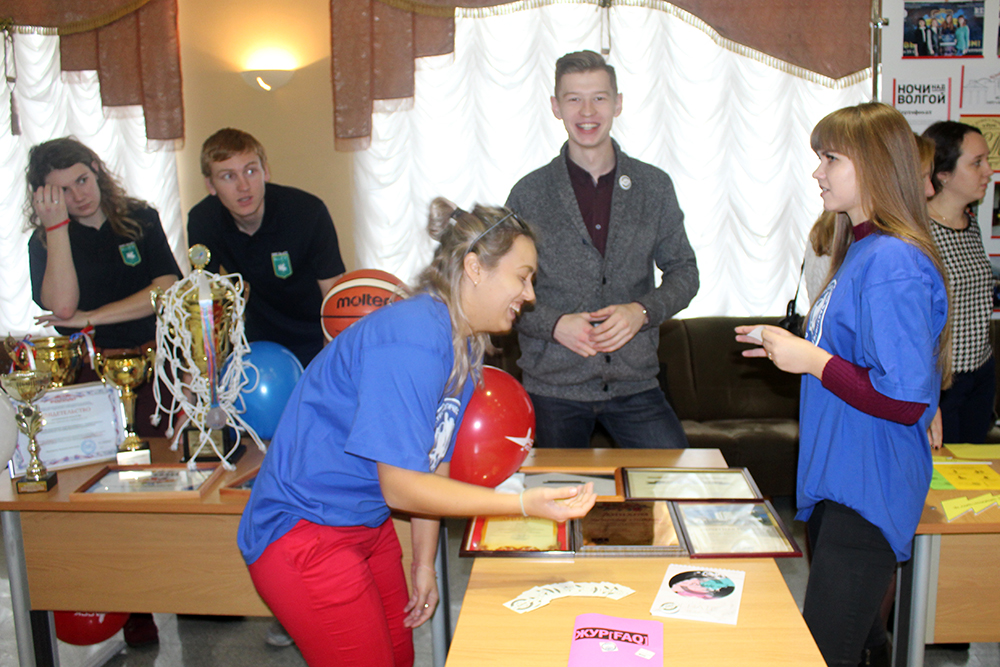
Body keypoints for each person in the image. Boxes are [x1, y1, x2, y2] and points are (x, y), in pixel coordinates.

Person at [238, 198, 597, 667]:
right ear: (474, 268)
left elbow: (433, 463)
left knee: (400, 656)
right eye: (523, 277)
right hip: (304, 533)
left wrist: (423, 563)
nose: (529, 295)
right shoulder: (412, 337)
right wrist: (524, 505)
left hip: (363, 524)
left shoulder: (463, 343)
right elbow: (402, 486)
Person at [736, 102, 951, 667]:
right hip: (843, 478)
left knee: (825, 650)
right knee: (860, 639)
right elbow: (861, 360)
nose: (817, 171)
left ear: (875, 163)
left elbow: (905, 399)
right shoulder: (861, 248)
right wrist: (794, 351)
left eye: (830, 158)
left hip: (869, 486)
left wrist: (811, 360)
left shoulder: (892, 260)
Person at [26, 137, 182, 648]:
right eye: (63, 191)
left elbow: (164, 288)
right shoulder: (45, 241)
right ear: (45, 197)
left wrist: (93, 316)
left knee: (169, 479)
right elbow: (62, 308)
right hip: (91, 381)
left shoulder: (138, 218)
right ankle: (134, 605)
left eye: (83, 180)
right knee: (109, 492)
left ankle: (191, 585)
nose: (79, 195)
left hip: (153, 370)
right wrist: (56, 230)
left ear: (97, 169)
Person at [505, 50, 699, 450]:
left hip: (636, 384)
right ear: (556, 107)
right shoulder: (529, 193)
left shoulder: (654, 187)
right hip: (552, 388)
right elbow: (503, 286)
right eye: (574, 99)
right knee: (549, 490)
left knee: (676, 482)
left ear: (618, 103)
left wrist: (641, 312)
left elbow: (684, 272)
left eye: (599, 98)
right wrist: (554, 324)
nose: (587, 111)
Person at [187, 128, 346, 368]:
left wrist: (329, 360)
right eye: (228, 176)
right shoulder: (203, 220)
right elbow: (204, 300)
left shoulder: (307, 213)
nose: (243, 186)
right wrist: (197, 369)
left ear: (266, 172)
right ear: (210, 185)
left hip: (314, 338)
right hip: (254, 346)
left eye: (251, 171)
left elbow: (334, 295)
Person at [923, 121, 995, 444]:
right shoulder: (919, 233)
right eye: (977, 163)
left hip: (981, 371)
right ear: (944, 174)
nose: (988, 171)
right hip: (943, 381)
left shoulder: (971, 223)